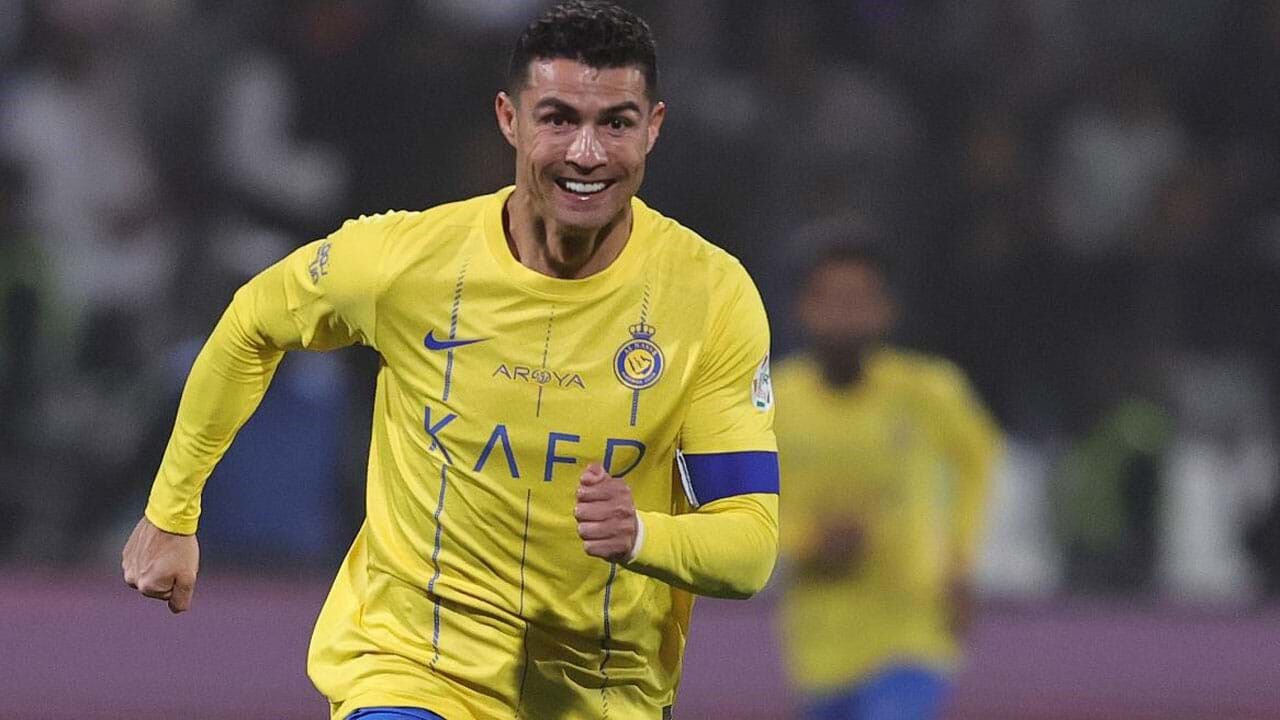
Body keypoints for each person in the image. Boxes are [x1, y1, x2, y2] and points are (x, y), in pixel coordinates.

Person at [121, 3, 780, 719]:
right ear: (509, 119)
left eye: (616, 123)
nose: (587, 154)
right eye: (558, 119)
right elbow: (254, 321)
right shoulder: (407, 263)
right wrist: (171, 512)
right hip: (415, 672)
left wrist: (644, 535)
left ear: (653, 127)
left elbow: (748, 545)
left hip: (602, 693)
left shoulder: (710, 297)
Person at [774, 240, 1001, 720]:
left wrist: (960, 561)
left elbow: (978, 460)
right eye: (832, 299)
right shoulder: (774, 401)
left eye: (859, 300)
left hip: (911, 627)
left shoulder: (925, 390)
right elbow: (744, 500)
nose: (845, 314)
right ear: (804, 308)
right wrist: (809, 540)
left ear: (885, 309)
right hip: (819, 637)